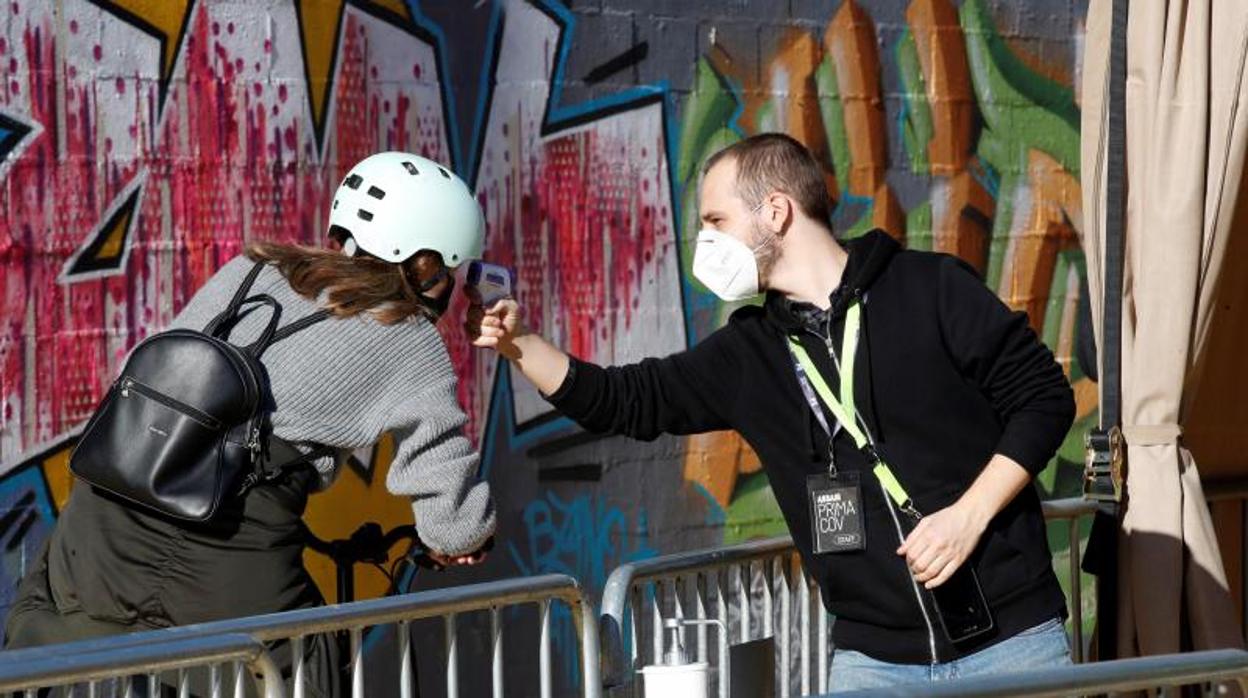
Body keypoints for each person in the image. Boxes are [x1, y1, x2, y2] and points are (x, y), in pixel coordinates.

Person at [468, 133, 1076, 690]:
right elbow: (623, 400)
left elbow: (1045, 397)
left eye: (716, 221)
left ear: (776, 211)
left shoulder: (930, 287)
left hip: (1014, 642)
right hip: (873, 664)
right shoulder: (749, 353)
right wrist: (519, 343)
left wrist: (968, 516)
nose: (705, 242)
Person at [5, 152, 496, 696]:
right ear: (425, 264)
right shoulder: (409, 338)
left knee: (67, 653)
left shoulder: (255, 269)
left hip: (101, 523)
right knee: (303, 669)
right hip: (222, 548)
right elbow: (451, 522)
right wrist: (465, 536)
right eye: (449, 271)